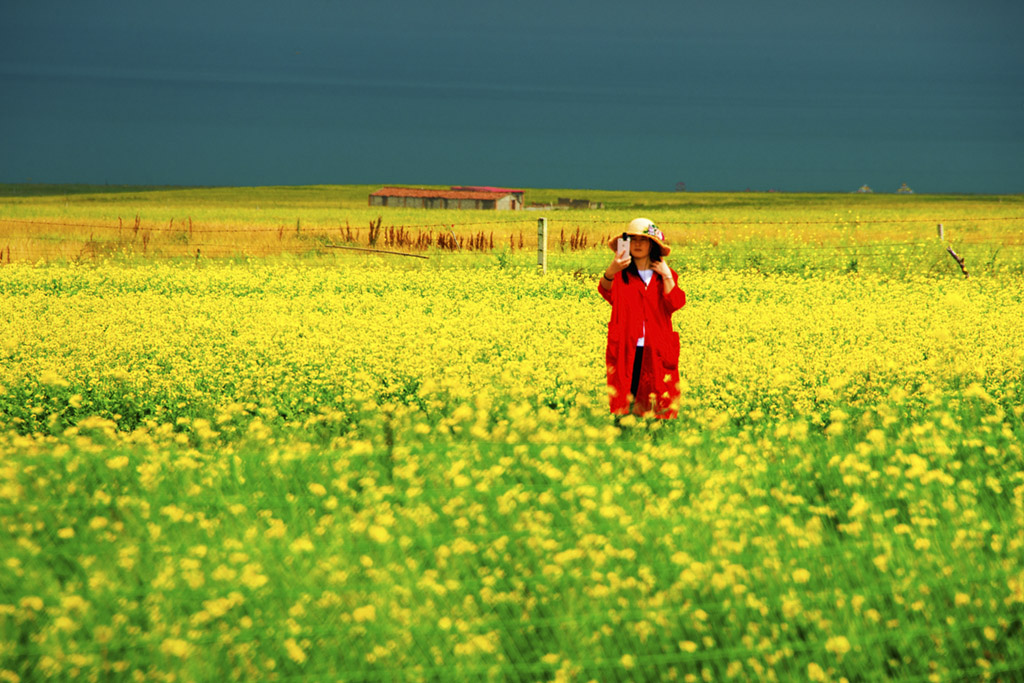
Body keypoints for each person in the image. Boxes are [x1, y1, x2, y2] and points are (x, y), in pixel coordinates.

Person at [598, 218, 686, 418]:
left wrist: (666, 275)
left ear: (652, 245)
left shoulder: (666, 275)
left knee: (659, 403)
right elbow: (605, 290)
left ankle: (657, 439)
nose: (637, 244)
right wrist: (612, 270)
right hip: (627, 347)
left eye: (643, 240)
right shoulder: (619, 274)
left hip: (657, 348)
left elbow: (676, 303)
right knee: (626, 403)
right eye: (633, 239)